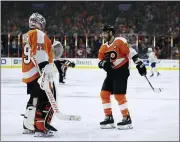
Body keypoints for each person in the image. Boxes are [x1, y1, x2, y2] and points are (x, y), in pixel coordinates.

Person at [98, 25, 146, 130]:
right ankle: (109, 118)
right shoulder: (103, 47)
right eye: (103, 33)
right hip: (110, 73)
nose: (103, 35)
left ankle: (127, 118)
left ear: (111, 33)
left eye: (105, 33)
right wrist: (103, 64)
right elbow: (100, 61)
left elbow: (131, 52)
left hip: (122, 71)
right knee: (104, 94)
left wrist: (139, 63)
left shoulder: (120, 41)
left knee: (119, 95)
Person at [22, 12, 57, 137]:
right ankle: (40, 128)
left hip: (28, 73)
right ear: (40, 23)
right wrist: (44, 71)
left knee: (34, 98)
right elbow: (40, 54)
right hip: (38, 74)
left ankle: (28, 125)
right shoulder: (39, 34)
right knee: (46, 99)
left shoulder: (26, 35)